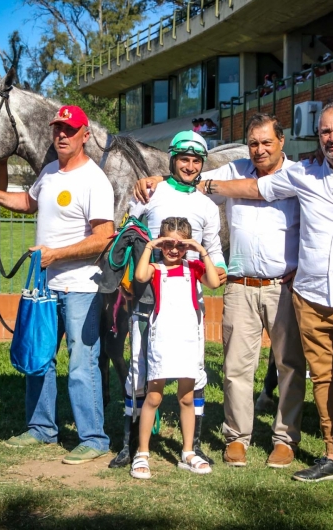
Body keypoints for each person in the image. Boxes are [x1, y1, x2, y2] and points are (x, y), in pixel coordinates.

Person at [194, 103, 333, 500]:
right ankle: (327, 455)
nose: (332, 138)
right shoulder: (303, 174)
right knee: (317, 378)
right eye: (325, 132)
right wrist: (184, 181)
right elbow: (253, 187)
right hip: (302, 296)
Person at [134, 114, 306, 470]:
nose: (259, 150)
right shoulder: (233, 168)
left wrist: (217, 188)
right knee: (235, 367)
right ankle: (237, 438)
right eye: (254, 143)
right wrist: (153, 180)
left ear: (282, 142)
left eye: (266, 143)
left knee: (289, 364)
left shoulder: (299, 175)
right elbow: (186, 177)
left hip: (282, 284)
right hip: (240, 284)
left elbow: (244, 189)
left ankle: (285, 439)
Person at [0, 105, 114, 464]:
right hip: (46, 286)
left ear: (85, 135)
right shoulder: (48, 172)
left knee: (82, 362)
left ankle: (94, 438)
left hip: (81, 287)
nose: (61, 135)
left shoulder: (95, 179)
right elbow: (28, 202)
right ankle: (41, 429)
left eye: (69, 129)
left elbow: (104, 237)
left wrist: (56, 255)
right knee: (40, 355)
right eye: (57, 129)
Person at [111, 131, 226, 469]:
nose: (189, 166)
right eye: (183, 159)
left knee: (194, 373)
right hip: (147, 297)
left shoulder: (207, 205)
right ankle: (131, 446)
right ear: (172, 159)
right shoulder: (150, 191)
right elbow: (130, 233)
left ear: (201, 164)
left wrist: (216, 269)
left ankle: (194, 446)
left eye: (196, 160)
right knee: (140, 371)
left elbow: (215, 249)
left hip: (189, 301)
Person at [129, 217, 220, 479]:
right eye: (168, 243)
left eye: (180, 245)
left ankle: (188, 451)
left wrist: (201, 250)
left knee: (187, 397)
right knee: (154, 396)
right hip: (162, 338)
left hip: (188, 339)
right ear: (160, 242)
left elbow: (214, 283)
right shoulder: (156, 268)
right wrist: (151, 246)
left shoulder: (194, 267)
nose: (173, 250)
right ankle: (142, 452)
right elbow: (139, 275)